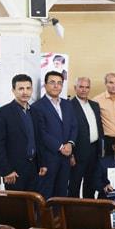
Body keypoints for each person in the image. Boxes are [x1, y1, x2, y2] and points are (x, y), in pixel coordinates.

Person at [31, 71, 78, 199]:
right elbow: (41, 133)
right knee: (45, 194)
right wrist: (60, 147)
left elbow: (74, 126)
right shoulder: (37, 107)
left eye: (59, 83)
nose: (56, 86)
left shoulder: (67, 104)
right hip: (48, 158)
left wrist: (70, 144)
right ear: (45, 85)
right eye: (52, 82)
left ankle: (59, 213)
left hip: (66, 158)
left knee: (62, 193)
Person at [0, 74, 38, 191]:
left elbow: (37, 140)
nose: (25, 92)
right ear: (13, 90)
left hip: (34, 170)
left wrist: (42, 164)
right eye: (21, 88)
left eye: (28, 88)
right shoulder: (2, 113)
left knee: (34, 202)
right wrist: (6, 171)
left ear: (32, 90)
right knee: (15, 202)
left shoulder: (35, 112)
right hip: (13, 172)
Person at [69, 77, 103, 198]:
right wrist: (71, 154)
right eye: (81, 87)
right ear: (75, 88)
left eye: (87, 87)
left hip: (94, 150)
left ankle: (89, 207)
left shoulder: (95, 105)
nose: (84, 90)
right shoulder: (69, 105)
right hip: (78, 151)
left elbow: (99, 127)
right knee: (75, 183)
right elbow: (66, 131)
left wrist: (101, 149)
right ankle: (72, 207)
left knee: (91, 182)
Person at [93, 73, 115, 156]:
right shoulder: (96, 100)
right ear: (105, 83)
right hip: (107, 140)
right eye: (111, 82)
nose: (114, 85)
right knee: (107, 162)